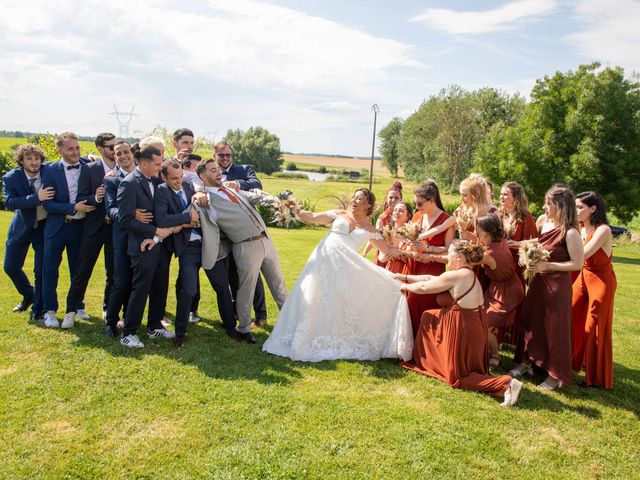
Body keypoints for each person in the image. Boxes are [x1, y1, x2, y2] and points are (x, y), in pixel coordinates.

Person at [263, 188, 413, 362]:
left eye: (360, 198)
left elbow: (386, 250)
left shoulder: (370, 228)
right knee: (313, 297)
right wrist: (293, 209)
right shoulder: (339, 214)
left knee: (339, 305)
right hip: (322, 263)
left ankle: (340, 336)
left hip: (346, 270)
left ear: (368, 204)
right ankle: (305, 335)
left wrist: (408, 245)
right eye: (354, 197)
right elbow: (312, 217)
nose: (355, 200)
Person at [399, 241, 523, 406]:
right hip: (473, 328)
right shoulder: (466, 273)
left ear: (458, 256)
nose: (446, 257)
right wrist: (405, 277)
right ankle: (437, 362)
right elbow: (430, 279)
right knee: (429, 315)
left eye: (448, 253)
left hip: (464, 330)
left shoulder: (457, 275)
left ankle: (506, 384)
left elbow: (423, 287)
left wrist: (403, 286)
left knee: (458, 378)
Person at [195, 158, 288, 344]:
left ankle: (290, 322)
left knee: (279, 285)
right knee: (246, 290)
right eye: (213, 170)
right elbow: (193, 194)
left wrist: (279, 201)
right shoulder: (205, 200)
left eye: (218, 169)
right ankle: (244, 329)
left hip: (266, 240)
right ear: (203, 177)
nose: (218, 172)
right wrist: (197, 193)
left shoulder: (230, 188)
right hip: (245, 246)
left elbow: (254, 196)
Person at [510, 185, 584, 390]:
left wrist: (547, 265)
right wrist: (526, 257)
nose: (544, 207)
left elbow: (577, 263)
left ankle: (554, 375)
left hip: (556, 287)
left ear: (560, 206)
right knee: (532, 322)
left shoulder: (570, 232)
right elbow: (534, 245)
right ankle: (527, 362)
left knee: (554, 328)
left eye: (548, 203)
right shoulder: (544, 223)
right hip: (537, 283)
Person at [117, 145, 176, 348]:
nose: (160, 168)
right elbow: (124, 220)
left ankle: (154, 326)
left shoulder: (156, 180)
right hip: (141, 246)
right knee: (141, 289)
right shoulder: (129, 183)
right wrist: (153, 232)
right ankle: (129, 332)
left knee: (160, 287)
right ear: (144, 163)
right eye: (158, 164)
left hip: (160, 246)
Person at [41, 132, 95, 328]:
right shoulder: (49, 170)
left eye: (77, 148)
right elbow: (48, 204)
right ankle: (50, 311)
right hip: (57, 227)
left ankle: (77, 306)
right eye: (70, 148)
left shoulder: (88, 166)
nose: (75, 152)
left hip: (80, 228)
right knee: (50, 270)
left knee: (78, 270)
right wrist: (73, 208)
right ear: (60, 150)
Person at [64, 132, 118, 328]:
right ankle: (71, 310)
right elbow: (81, 196)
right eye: (111, 147)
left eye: (116, 145)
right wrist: (95, 197)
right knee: (82, 270)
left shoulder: (125, 168)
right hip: (94, 226)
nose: (115, 150)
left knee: (113, 272)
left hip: (116, 229)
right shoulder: (90, 168)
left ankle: (108, 309)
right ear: (100, 149)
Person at [214, 140, 268, 327]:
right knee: (232, 275)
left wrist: (236, 183)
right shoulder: (211, 172)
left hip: (246, 231)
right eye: (222, 155)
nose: (226, 158)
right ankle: (237, 313)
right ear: (215, 156)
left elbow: (257, 184)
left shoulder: (244, 169)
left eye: (229, 154)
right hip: (223, 232)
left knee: (253, 274)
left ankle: (261, 314)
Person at [571, 191, 616, 389]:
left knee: (594, 326)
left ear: (593, 209)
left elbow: (583, 253)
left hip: (601, 280)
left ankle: (596, 377)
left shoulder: (603, 230)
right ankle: (571, 361)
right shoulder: (579, 226)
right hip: (583, 277)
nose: (576, 210)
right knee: (569, 312)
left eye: (580, 207)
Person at [3, 144, 52, 321]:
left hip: (44, 227)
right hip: (22, 227)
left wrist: (91, 158)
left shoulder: (49, 171)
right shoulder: (11, 177)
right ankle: (29, 295)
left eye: (37, 158)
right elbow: (9, 203)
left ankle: (38, 307)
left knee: (40, 269)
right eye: (29, 158)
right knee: (10, 266)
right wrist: (36, 198)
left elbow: (68, 163)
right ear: (21, 161)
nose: (34, 162)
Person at [402, 181, 455, 335]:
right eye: (415, 204)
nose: (417, 208)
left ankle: (422, 343)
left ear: (432, 200)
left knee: (420, 302)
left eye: (419, 203)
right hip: (413, 263)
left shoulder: (446, 220)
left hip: (432, 266)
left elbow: (448, 249)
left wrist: (428, 249)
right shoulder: (418, 216)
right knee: (407, 301)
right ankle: (406, 342)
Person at [475, 213, 524, 367]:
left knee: (485, 322)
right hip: (496, 288)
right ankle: (487, 351)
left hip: (507, 293)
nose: (476, 231)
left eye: (477, 229)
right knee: (481, 318)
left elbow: (469, 259)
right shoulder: (499, 242)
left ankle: (495, 355)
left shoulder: (489, 254)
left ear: (485, 233)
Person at [497, 181, 537, 349]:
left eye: (505, 194)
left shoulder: (525, 217)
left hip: (516, 264)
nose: (501, 197)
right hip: (499, 264)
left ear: (515, 198)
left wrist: (517, 244)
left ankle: (513, 339)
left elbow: (534, 242)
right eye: (501, 194)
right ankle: (497, 337)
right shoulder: (499, 214)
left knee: (515, 300)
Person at [103, 141, 136, 337]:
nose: (123, 156)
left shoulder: (144, 176)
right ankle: (110, 322)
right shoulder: (111, 180)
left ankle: (129, 318)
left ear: (133, 154)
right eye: (118, 154)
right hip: (122, 235)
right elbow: (110, 209)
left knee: (136, 282)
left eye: (126, 152)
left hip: (141, 236)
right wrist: (129, 217)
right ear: (114, 157)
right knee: (120, 281)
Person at [362, 182, 403, 266]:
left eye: (396, 198)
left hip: (400, 255)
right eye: (390, 197)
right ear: (386, 199)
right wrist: (364, 253)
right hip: (385, 256)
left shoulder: (405, 215)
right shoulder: (382, 218)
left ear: (401, 200)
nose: (393, 200)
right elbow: (374, 238)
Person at [377, 202, 413, 274]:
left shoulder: (411, 233)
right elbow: (381, 256)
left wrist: (399, 252)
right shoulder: (387, 232)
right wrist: (382, 258)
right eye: (395, 210)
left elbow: (415, 254)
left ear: (407, 216)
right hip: (390, 270)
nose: (397, 212)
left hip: (407, 270)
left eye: (401, 211)